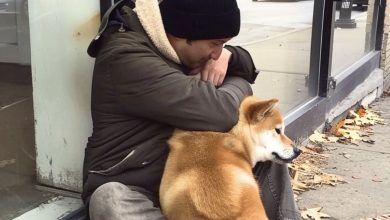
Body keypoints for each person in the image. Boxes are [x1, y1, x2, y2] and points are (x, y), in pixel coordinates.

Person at [82, 0, 300, 219]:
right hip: (136, 183)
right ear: (183, 34)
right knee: (109, 199)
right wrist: (240, 84)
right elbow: (220, 112)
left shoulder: (176, 46)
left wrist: (230, 56)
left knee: (268, 150)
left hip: (190, 173)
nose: (216, 55)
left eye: (223, 44)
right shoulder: (126, 58)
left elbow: (241, 75)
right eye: (216, 43)